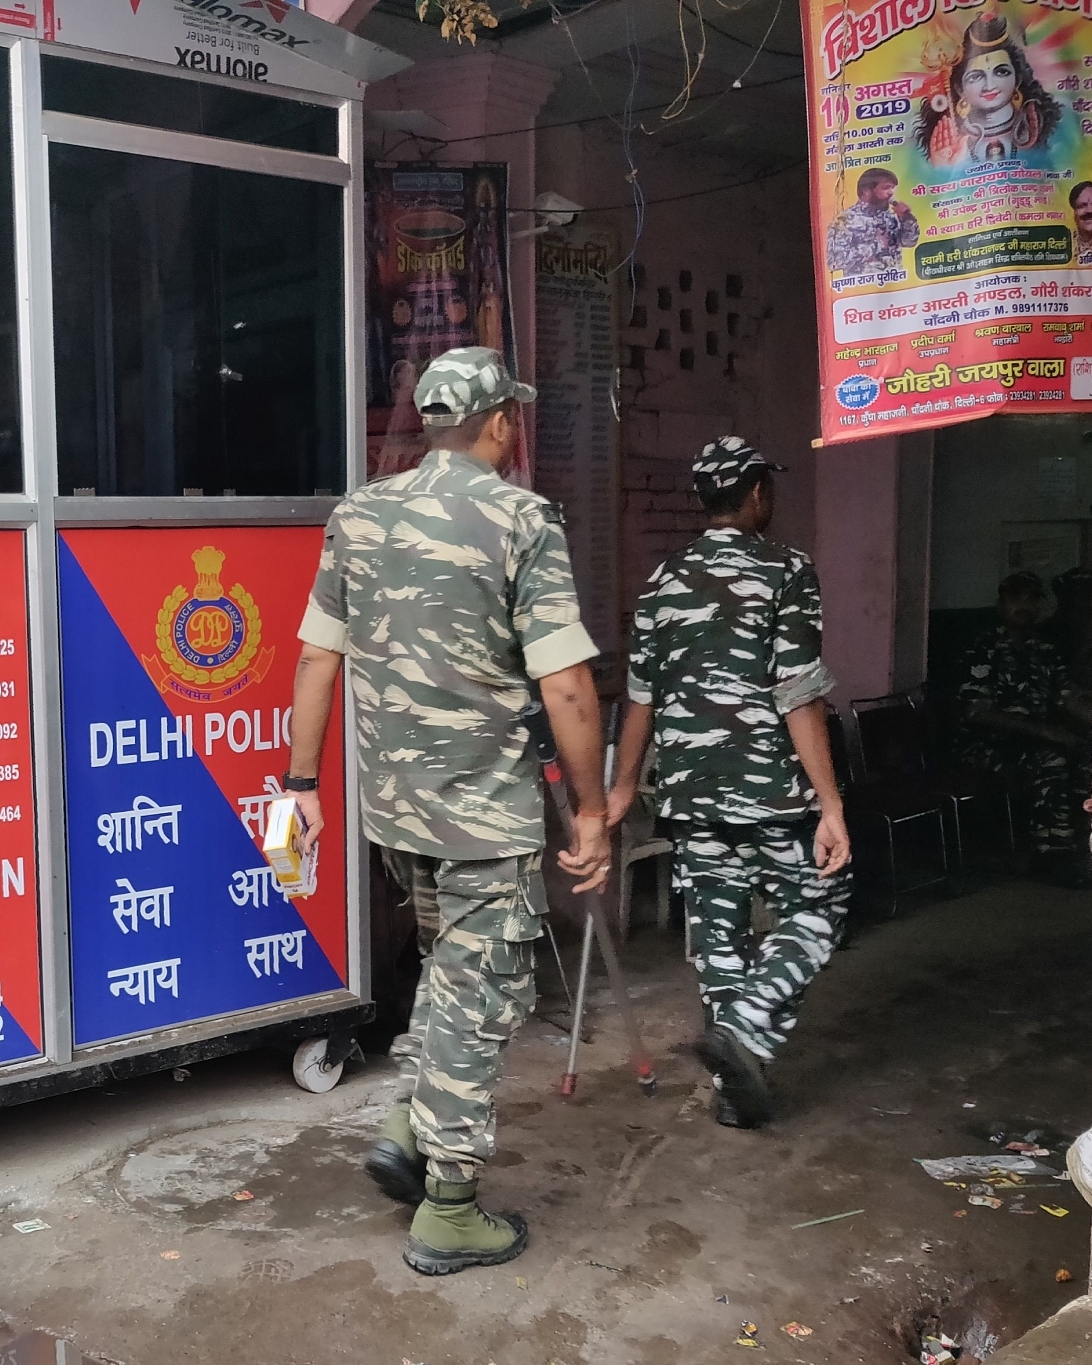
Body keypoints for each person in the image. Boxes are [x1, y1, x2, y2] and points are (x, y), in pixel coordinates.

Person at [284, 347, 611, 1277]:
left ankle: (406, 1126)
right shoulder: (520, 519)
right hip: (484, 817)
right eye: (516, 414)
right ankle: (449, 1210)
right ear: (500, 421)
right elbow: (567, 684)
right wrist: (590, 811)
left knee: (450, 975)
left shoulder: (360, 512)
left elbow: (317, 659)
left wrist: (301, 787)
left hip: (397, 816)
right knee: (480, 1001)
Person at [607, 438, 851, 1131]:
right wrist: (829, 803)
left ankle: (732, 1089)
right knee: (819, 906)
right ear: (753, 494)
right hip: (770, 790)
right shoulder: (786, 570)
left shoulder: (662, 579)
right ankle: (744, 1028)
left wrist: (624, 787)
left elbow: (640, 699)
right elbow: (798, 691)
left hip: (688, 792)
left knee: (718, 934)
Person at [956, 571, 1092, 887]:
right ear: (1001, 603)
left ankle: (1081, 845)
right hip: (986, 745)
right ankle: (1054, 856)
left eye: (1032, 598)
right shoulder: (984, 648)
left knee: (1090, 753)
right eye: (1016, 598)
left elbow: (1067, 698)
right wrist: (1045, 732)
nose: (1025, 605)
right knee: (1051, 759)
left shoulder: (1043, 649)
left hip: (1036, 739)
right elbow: (978, 712)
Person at [916, 10, 1059, 166]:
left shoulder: (1041, 128)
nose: (989, 86)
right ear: (959, 88)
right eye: (976, 76)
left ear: (1017, 79)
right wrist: (943, 167)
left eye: (1001, 72)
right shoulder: (948, 141)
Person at [826, 168, 919, 276]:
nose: (891, 193)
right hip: (864, 287)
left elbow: (909, 243)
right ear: (867, 190)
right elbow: (834, 262)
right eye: (886, 188)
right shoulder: (845, 220)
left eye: (893, 188)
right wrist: (875, 245)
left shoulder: (890, 217)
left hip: (895, 283)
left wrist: (907, 220)